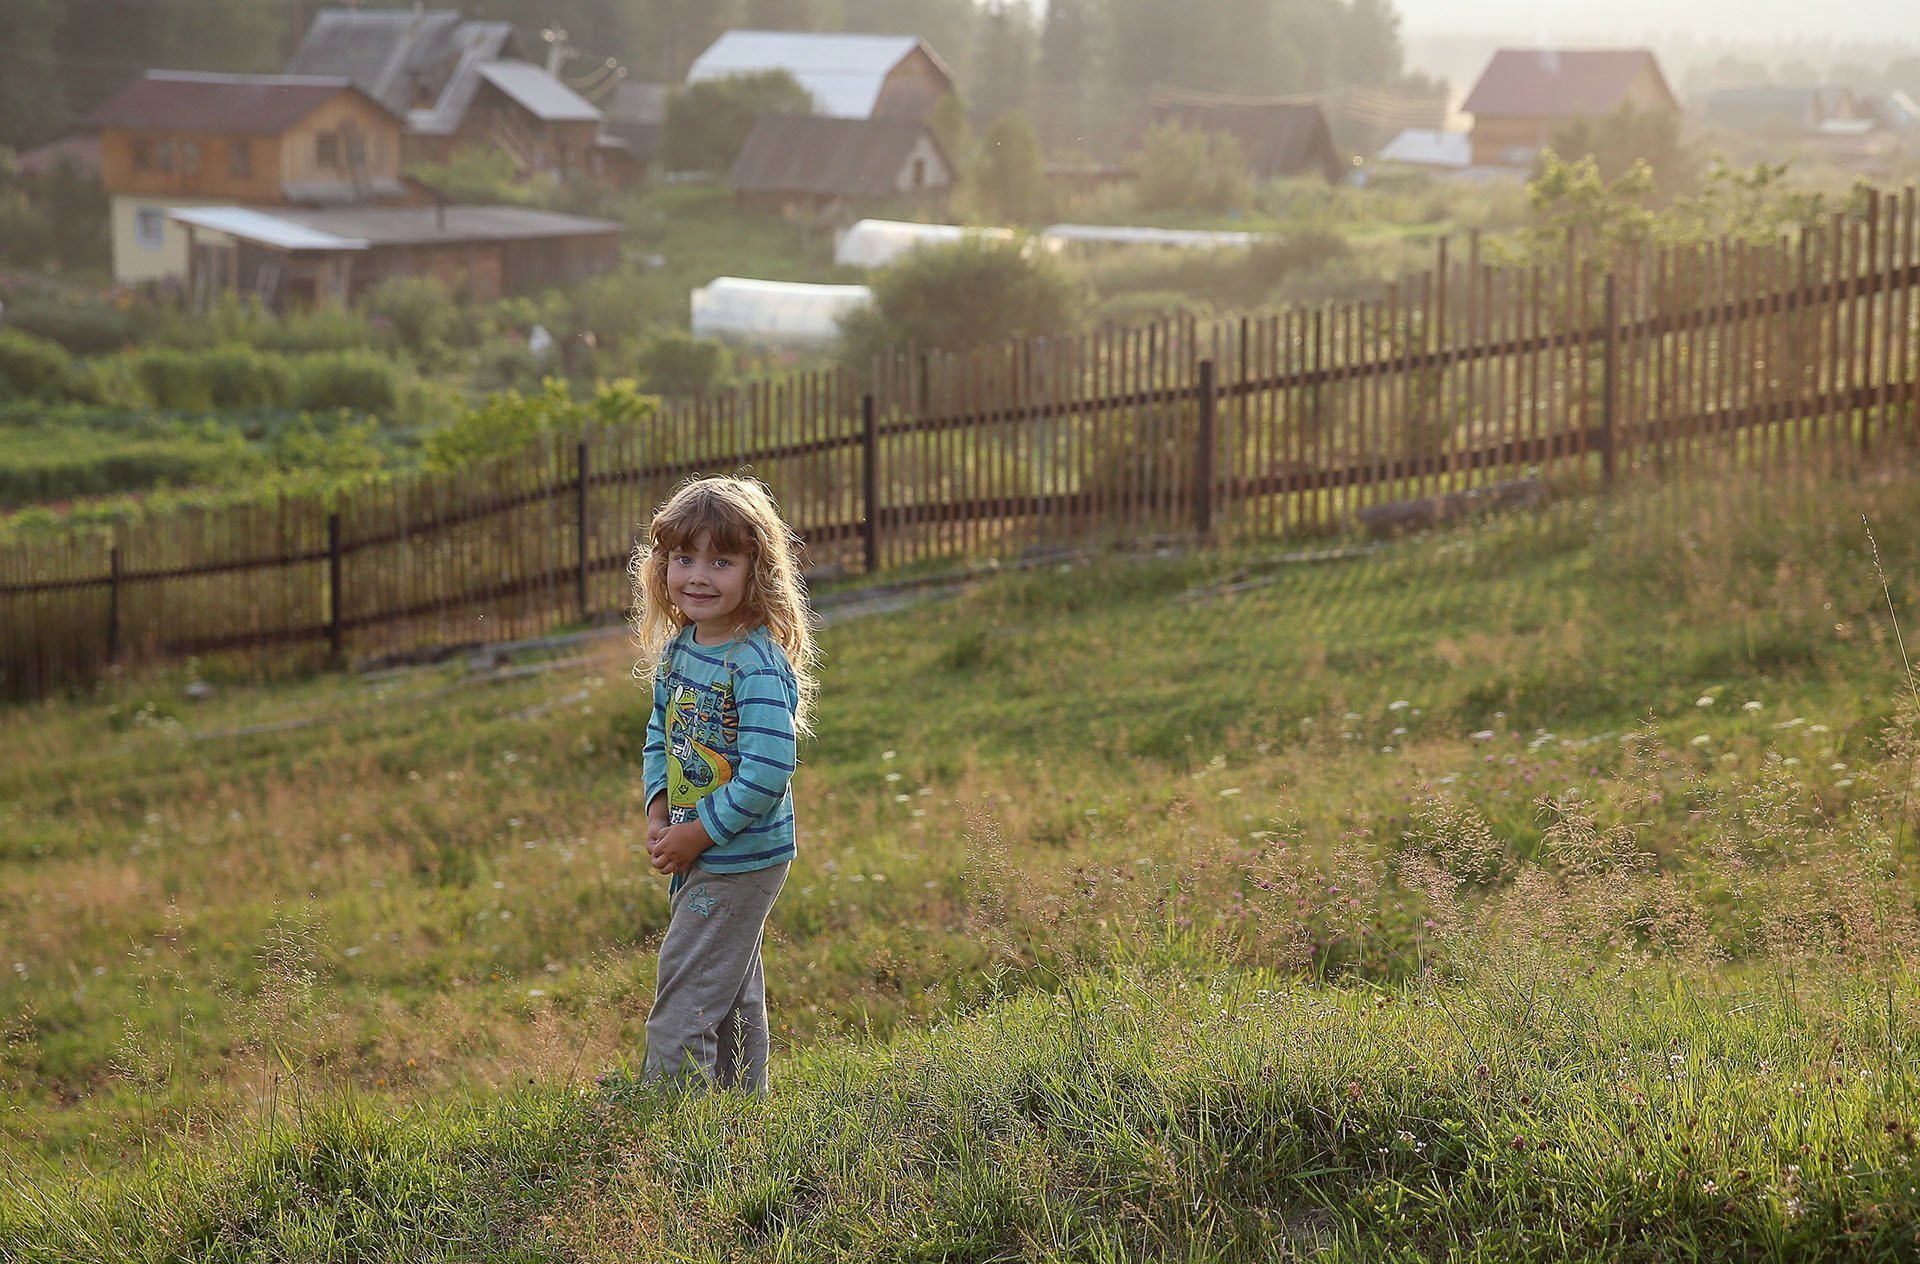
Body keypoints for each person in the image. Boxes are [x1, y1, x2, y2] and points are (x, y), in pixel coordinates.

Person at [628, 475, 817, 1091]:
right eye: (683, 558)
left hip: (738, 854)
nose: (698, 576)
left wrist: (699, 835)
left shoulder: (755, 663)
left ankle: (667, 1118)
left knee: (687, 989)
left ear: (756, 572)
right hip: (700, 846)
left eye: (721, 560)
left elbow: (768, 769)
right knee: (727, 988)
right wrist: (660, 809)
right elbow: (663, 731)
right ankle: (739, 1114)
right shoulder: (684, 648)